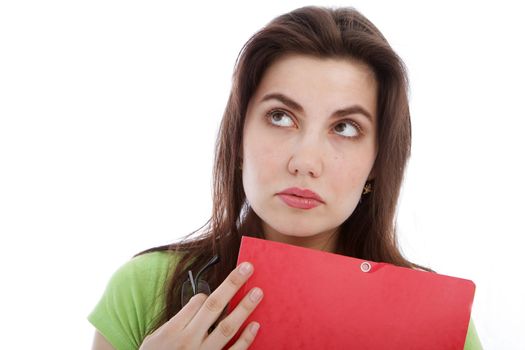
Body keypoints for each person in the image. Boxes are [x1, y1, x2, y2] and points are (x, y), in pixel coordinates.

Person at [89, 6, 483, 349]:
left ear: (378, 163)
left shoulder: (437, 320)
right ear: (239, 137)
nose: (305, 161)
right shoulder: (144, 289)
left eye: (345, 127)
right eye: (280, 117)